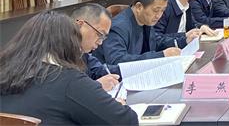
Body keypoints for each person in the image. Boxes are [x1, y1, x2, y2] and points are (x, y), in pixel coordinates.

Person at [0, 11, 138, 125]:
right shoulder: (68, 80)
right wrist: (116, 105)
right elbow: (127, 121)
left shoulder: (6, 70)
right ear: (69, 43)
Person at [93, 0, 182, 65]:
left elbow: (156, 42)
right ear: (139, 7)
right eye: (156, 10)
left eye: (162, 10)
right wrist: (160, 55)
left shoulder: (146, 20)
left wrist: (184, 39)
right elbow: (117, 61)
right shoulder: (118, 27)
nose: (159, 15)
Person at [70, 3, 121, 91]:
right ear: (80, 25)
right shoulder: (56, 53)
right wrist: (96, 86)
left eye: (103, 37)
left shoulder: (83, 53)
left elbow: (99, 70)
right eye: (99, 34)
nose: (100, 42)